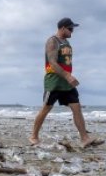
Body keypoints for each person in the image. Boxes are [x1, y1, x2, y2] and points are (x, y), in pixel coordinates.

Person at [30, 18, 102, 149]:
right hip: (54, 81)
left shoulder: (67, 42)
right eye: (70, 29)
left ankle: (84, 138)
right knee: (46, 108)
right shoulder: (52, 41)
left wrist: (68, 78)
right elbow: (52, 63)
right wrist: (68, 76)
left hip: (66, 83)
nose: (72, 32)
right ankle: (34, 136)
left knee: (77, 107)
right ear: (62, 28)